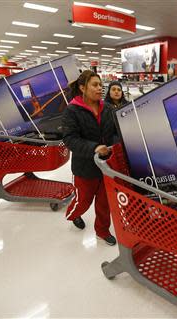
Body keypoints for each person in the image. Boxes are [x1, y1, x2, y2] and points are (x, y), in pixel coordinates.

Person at [62, 70, 118, 246]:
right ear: (82, 88)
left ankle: (102, 230)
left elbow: (116, 132)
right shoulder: (72, 111)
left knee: (104, 202)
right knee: (83, 201)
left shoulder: (108, 108)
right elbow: (70, 139)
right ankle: (74, 214)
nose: (100, 88)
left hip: (106, 166)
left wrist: (114, 145)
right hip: (85, 167)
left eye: (101, 85)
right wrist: (94, 148)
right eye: (95, 85)